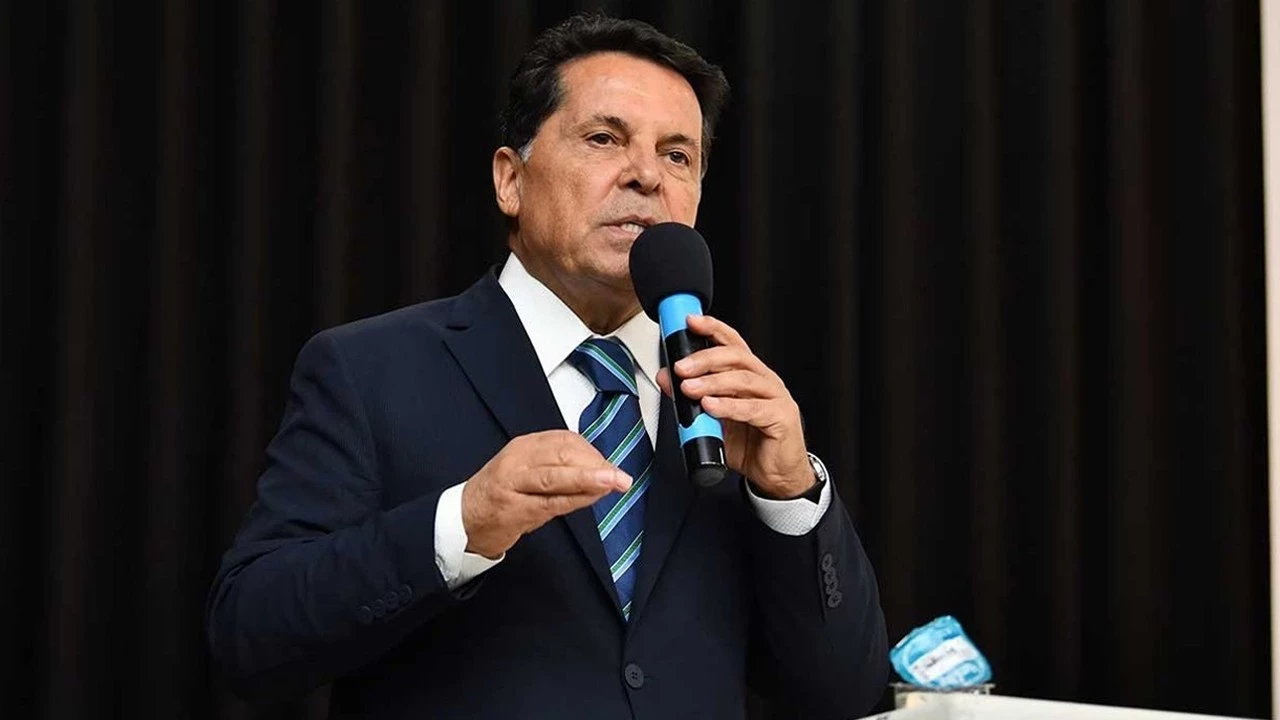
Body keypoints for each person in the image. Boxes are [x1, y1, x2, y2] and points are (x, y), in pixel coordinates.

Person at [207, 13, 888, 719]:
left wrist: (790, 494)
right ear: (510, 180)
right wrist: (462, 524)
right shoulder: (370, 369)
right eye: (605, 139)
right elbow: (250, 639)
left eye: (678, 155)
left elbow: (846, 692)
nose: (646, 175)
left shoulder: (727, 402)